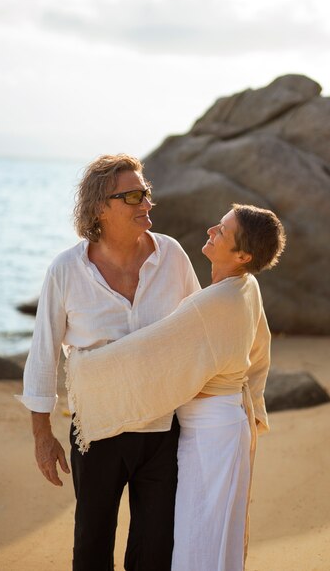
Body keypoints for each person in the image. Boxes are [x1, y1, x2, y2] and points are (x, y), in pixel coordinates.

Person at [66, 204, 286, 571]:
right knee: (213, 534)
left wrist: (86, 371)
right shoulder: (248, 287)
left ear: (243, 255)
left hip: (209, 437)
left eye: (223, 231)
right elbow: (260, 353)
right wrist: (249, 399)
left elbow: (148, 354)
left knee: (196, 538)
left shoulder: (212, 302)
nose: (211, 229)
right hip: (226, 426)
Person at [16, 154, 200, 571]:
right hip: (97, 434)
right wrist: (42, 436)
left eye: (146, 193)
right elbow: (43, 352)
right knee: (93, 548)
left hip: (161, 431)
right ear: (100, 207)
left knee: (155, 551)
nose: (146, 203)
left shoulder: (171, 255)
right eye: (132, 196)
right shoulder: (66, 270)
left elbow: (198, 332)